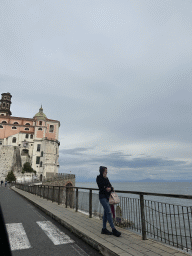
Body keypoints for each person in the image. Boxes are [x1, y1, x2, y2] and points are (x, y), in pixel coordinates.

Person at [96, 166, 121, 237]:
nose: (106, 173)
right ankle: (113, 229)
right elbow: (101, 187)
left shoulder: (106, 179)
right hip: (102, 198)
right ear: (102, 171)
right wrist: (106, 188)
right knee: (109, 212)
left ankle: (104, 229)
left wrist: (109, 188)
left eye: (107, 172)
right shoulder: (99, 178)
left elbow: (111, 187)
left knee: (106, 214)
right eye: (105, 171)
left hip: (107, 198)